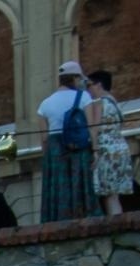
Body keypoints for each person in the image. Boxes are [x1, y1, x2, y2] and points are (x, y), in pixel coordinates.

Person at [36, 60, 101, 223]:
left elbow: (44, 138)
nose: (81, 82)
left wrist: (47, 158)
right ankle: (84, 220)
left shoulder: (44, 104)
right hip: (78, 145)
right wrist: (95, 150)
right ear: (74, 78)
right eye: (79, 79)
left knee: (59, 189)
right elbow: (92, 125)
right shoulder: (84, 97)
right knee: (80, 185)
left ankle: (56, 222)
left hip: (54, 147)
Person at [85, 70, 133, 217]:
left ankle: (114, 226)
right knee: (115, 194)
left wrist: (94, 150)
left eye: (89, 85)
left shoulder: (99, 103)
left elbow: (94, 128)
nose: (88, 89)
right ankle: (118, 222)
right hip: (121, 148)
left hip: (106, 150)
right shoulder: (115, 103)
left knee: (108, 194)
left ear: (99, 84)